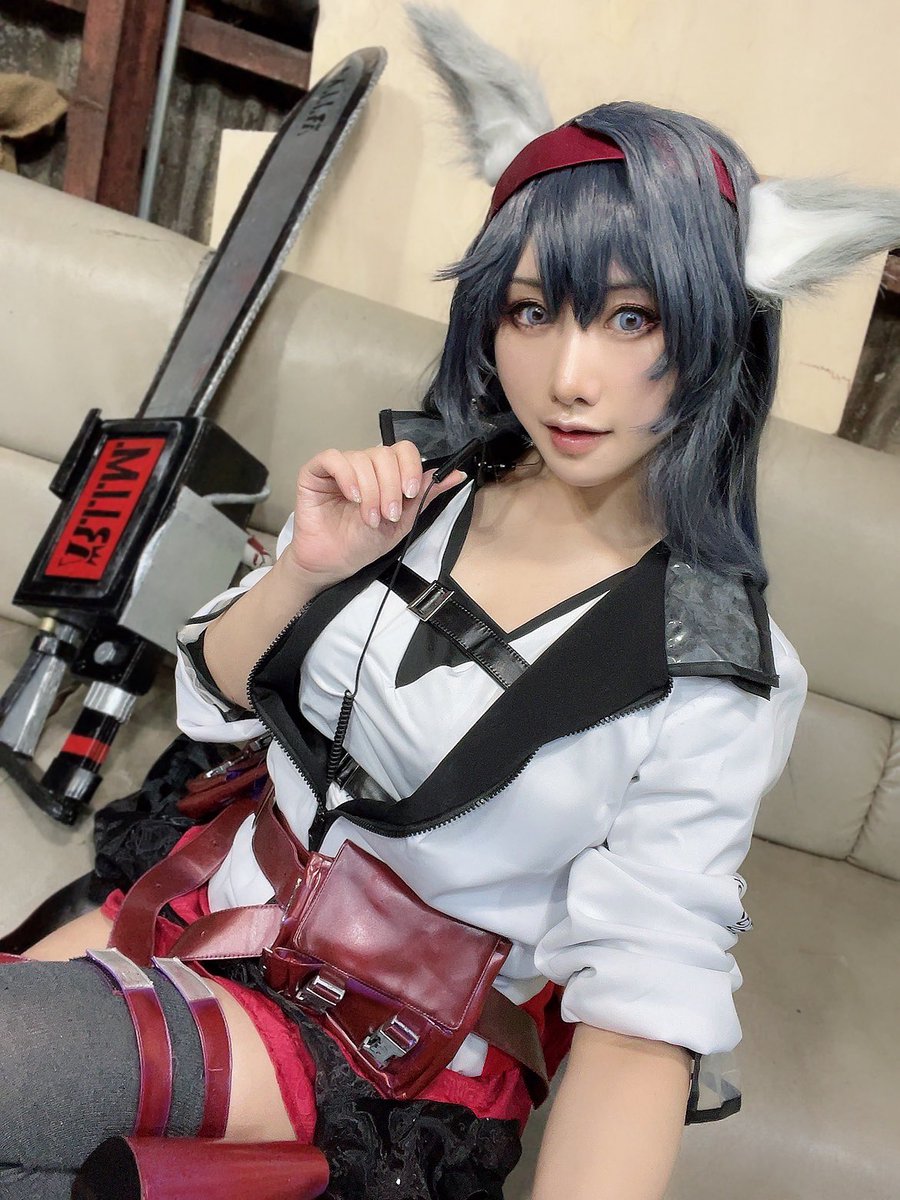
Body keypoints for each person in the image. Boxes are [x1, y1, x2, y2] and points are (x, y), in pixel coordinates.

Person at [4, 83, 900, 1200]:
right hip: (211, 901)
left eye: (633, 318)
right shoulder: (420, 490)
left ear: (719, 329)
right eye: (532, 311)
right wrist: (306, 571)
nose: (568, 377)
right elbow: (217, 699)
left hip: (379, 1043)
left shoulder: (711, 670)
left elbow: (643, 1010)